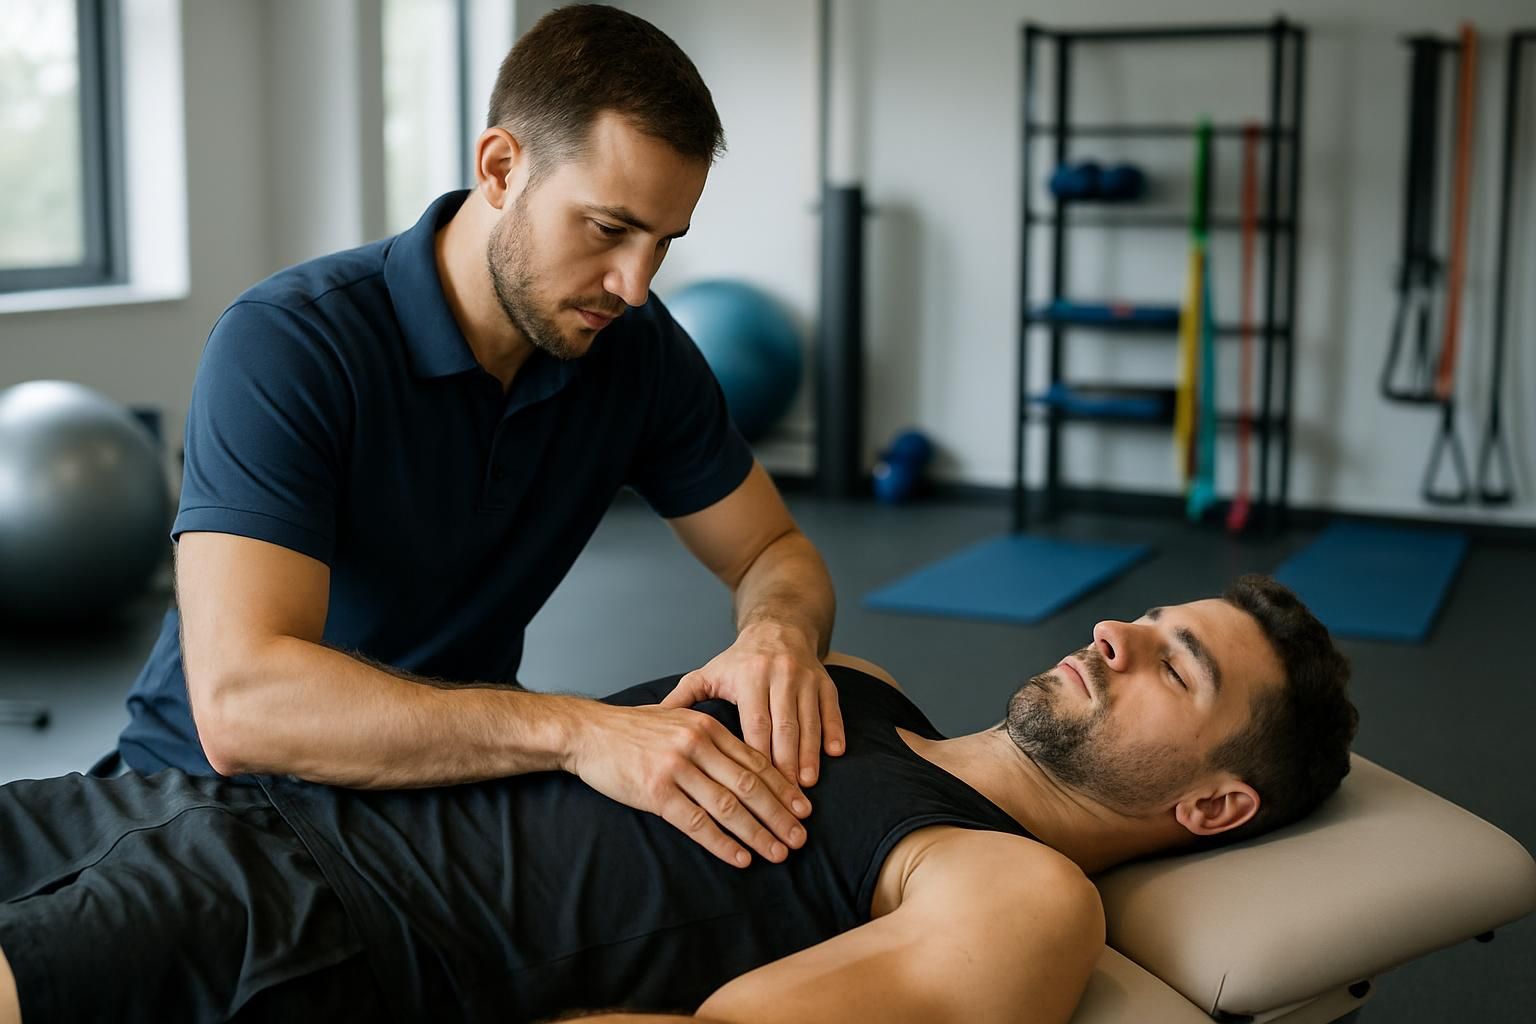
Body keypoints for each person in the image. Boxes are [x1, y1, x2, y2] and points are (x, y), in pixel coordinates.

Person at [112, 4, 841, 866]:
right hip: (209, 802)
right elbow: (246, 707)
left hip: (444, 786)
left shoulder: (633, 350)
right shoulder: (290, 342)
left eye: (663, 242)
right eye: (609, 229)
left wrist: (777, 634)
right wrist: (576, 731)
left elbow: (772, 550)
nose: (635, 285)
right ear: (500, 168)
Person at [1, 575, 1358, 1024]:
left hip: (299, 928)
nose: (1115, 633)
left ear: (1215, 809)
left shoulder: (1013, 892)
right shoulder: (856, 686)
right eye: (1149, 617)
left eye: (1176, 663)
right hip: (211, 800)